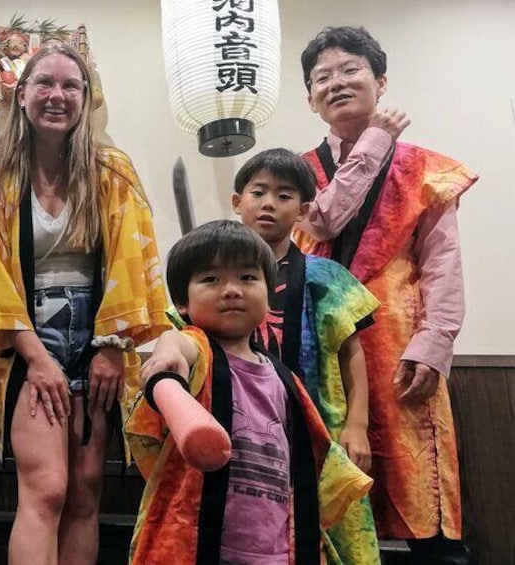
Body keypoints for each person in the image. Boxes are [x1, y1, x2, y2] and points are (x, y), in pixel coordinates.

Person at [0, 43, 170, 565]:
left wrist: (113, 346)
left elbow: (133, 260)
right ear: (21, 94)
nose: (57, 95)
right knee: (47, 487)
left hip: (100, 330)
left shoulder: (112, 170)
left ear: (86, 98)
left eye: (70, 85)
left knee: (86, 489)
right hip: (30, 334)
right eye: (44, 84)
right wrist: (36, 357)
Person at [296, 26, 478, 562]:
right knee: (328, 478)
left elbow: (442, 265)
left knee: (418, 477)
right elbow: (323, 224)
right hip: (320, 343)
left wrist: (435, 342)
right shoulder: (297, 171)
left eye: (350, 70)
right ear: (310, 99)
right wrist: (376, 139)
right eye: (321, 77)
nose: (336, 83)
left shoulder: (426, 169)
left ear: (381, 81)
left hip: (401, 343)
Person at [126, 220, 372, 565]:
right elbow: (178, 343)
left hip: (277, 547)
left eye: (247, 277)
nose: (231, 290)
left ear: (268, 294)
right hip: (203, 543)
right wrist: (166, 352)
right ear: (182, 303)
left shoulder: (284, 378)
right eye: (211, 279)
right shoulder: (199, 352)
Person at [232, 148, 381, 563]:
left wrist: (357, 424)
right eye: (258, 192)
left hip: (320, 428)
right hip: (242, 433)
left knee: (340, 533)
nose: (268, 204)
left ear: (303, 209)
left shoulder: (325, 275)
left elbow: (352, 352)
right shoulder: (215, 274)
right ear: (236, 202)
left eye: (284, 195)